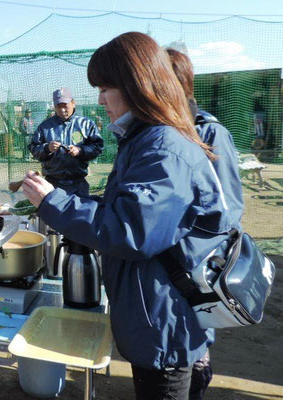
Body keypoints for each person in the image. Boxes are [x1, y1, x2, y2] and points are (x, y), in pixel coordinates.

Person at [22, 32, 240, 400]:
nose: (101, 98)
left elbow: (130, 230)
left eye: (108, 87)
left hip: (164, 321)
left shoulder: (163, 146)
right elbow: (128, 209)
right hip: (152, 315)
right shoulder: (142, 139)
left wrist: (53, 203)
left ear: (138, 85)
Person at [167, 48, 245, 400]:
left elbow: (228, 209)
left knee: (194, 359)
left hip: (195, 268)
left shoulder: (210, 133)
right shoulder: (162, 131)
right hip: (170, 271)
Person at [28, 87, 104, 196]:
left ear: (73, 103)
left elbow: (97, 147)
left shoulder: (86, 124)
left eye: (65, 106)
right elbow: (34, 149)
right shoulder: (45, 127)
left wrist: (80, 150)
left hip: (78, 184)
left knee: (80, 212)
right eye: (58, 106)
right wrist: (47, 148)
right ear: (54, 106)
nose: (62, 110)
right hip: (52, 184)